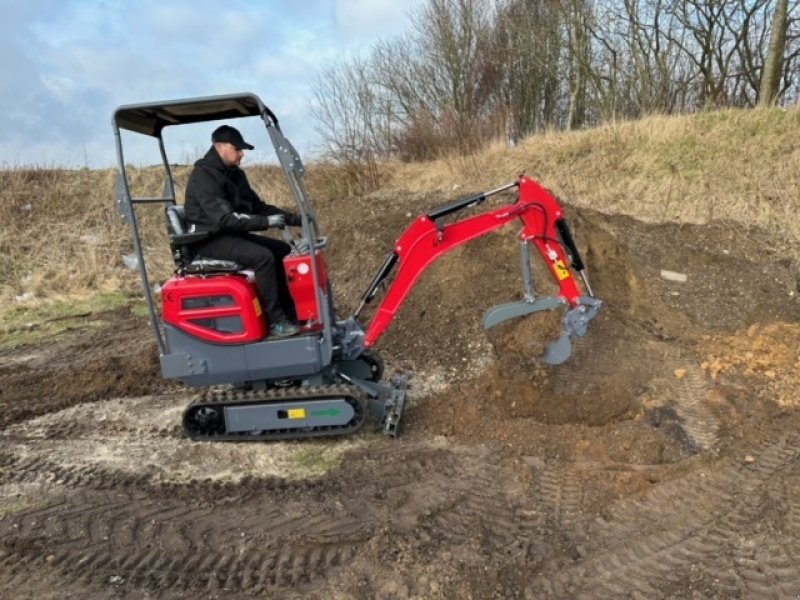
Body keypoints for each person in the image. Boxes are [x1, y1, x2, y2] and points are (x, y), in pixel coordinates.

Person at [184, 124, 300, 338]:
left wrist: (296, 218)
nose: (242, 154)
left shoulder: (234, 175)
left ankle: (290, 315)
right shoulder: (204, 176)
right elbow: (225, 219)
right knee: (262, 257)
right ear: (222, 147)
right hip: (208, 239)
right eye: (238, 150)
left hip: (228, 234)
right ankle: (276, 322)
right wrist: (265, 222)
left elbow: (257, 207)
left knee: (280, 249)